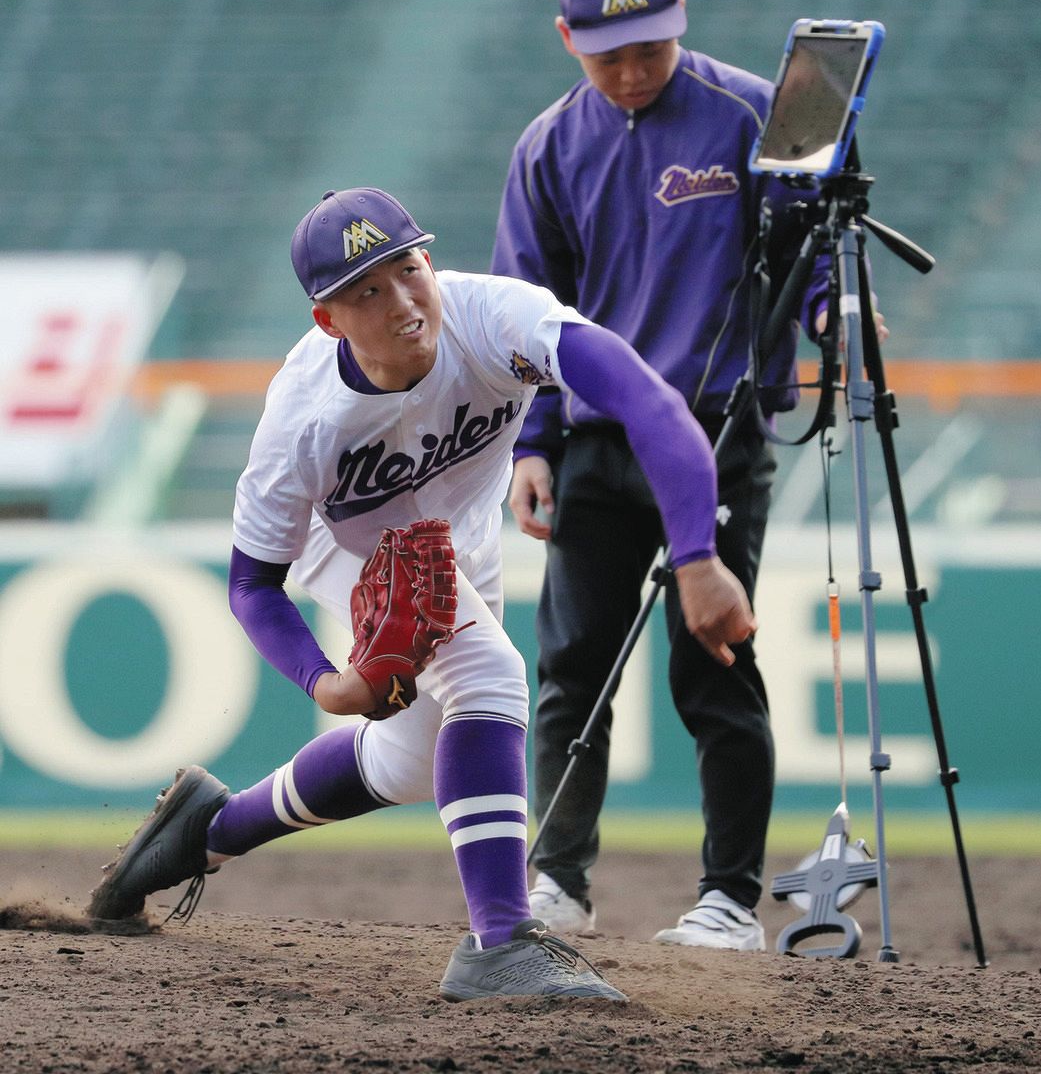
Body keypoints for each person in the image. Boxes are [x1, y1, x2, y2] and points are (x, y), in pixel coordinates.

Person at [88, 185, 755, 1002]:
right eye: (365, 291)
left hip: (461, 538)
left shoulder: (497, 320)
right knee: (490, 680)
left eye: (406, 269)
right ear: (327, 320)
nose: (400, 300)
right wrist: (322, 681)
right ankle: (500, 943)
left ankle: (206, 829)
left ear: (429, 262)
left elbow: (646, 401)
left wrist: (695, 555)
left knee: (407, 762)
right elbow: (253, 584)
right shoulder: (303, 421)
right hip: (354, 550)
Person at [493, 0, 836, 950]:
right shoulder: (547, 150)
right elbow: (528, 317)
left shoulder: (747, 114)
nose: (637, 70)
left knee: (715, 664)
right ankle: (557, 881)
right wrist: (533, 447)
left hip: (722, 429)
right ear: (568, 40)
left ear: (679, 20)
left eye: (655, 46)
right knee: (571, 668)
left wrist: (832, 321)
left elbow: (808, 250)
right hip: (598, 442)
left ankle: (729, 898)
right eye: (613, 54)